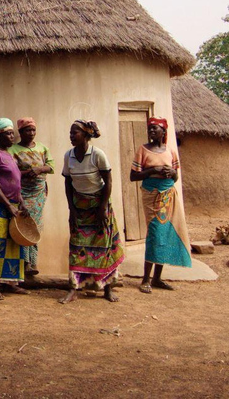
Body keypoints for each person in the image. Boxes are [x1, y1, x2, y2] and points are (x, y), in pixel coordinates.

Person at [60, 120, 125, 304]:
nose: (71, 136)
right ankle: (73, 289)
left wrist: (102, 208)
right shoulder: (69, 156)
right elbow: (68, 183)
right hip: (79, 206)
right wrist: (71, 210)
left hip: (99, 205)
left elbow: (108, 182)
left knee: (104, 246)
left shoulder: (97, 155)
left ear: (86, 135)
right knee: (76, 246)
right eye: (70, 133)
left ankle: (107, 289)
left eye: (75, 133)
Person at [130, 117, 191, 294]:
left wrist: (172, 172)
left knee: (164, 234)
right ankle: (145, 279)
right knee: (155, 233)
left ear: (163, 132)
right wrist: (152, 171)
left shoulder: (170, 151)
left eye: (155, 129)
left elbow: (175, 177)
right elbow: (133, 176)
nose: (151, 132)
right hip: (151, 195)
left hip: (168, 196)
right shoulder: (143, 150)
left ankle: (157, 278)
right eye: (149, 129)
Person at [0, 118, 29, 300]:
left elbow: (15, 182)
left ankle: (10, 283)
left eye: (12, 133)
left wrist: (21, 201)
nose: (12, 137)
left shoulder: (8, 154)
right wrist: (8, 205)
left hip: (13, 205)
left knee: (12, 245)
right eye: (8, 134)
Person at [9, 117, 54, 275]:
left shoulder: (42, 148)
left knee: (35, 226)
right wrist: (28, 172)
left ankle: (33, 264)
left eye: (33, 130)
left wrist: (40, 169)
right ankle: (24, 263)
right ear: (20, 132)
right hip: (22, 193)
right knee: (22, 226)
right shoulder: (13, 150)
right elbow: (11, 173)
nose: (32, 133)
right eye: (28, 130)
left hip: (39, 193)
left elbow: (51, 166)